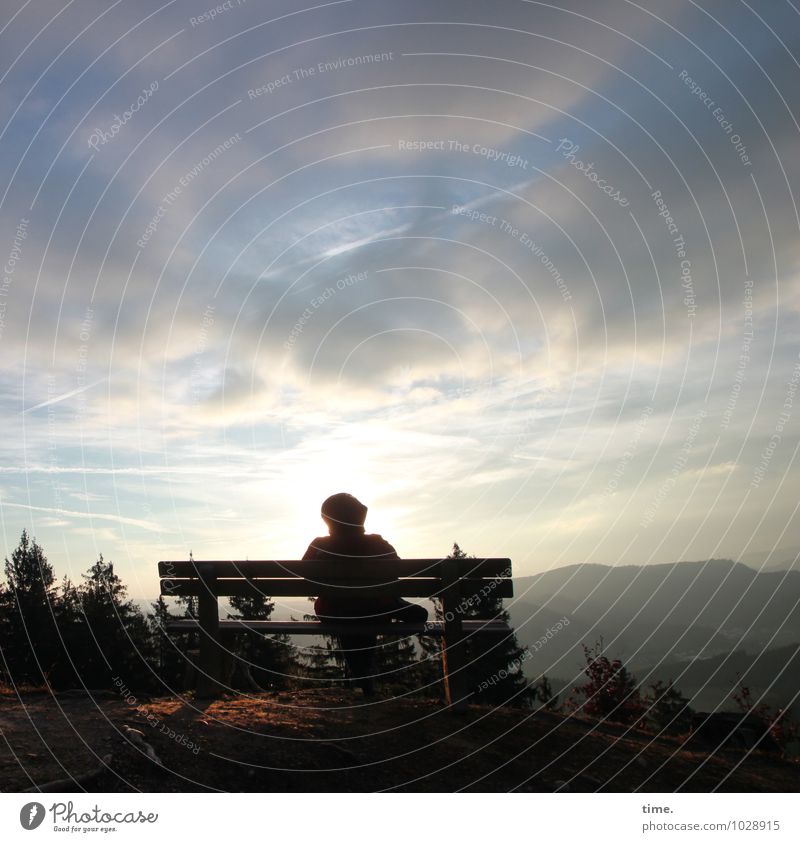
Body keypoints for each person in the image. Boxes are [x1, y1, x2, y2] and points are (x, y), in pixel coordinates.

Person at [303, 492, 428, 696]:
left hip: (333, 611)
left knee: (351, 612)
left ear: (328, 520)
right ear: (360, 517)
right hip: (376, 608)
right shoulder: (377, 543)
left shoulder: (319, 544)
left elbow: (305, 576)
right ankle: (365, 670)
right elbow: (396, 572)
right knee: (375, 607)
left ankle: (362, 673)